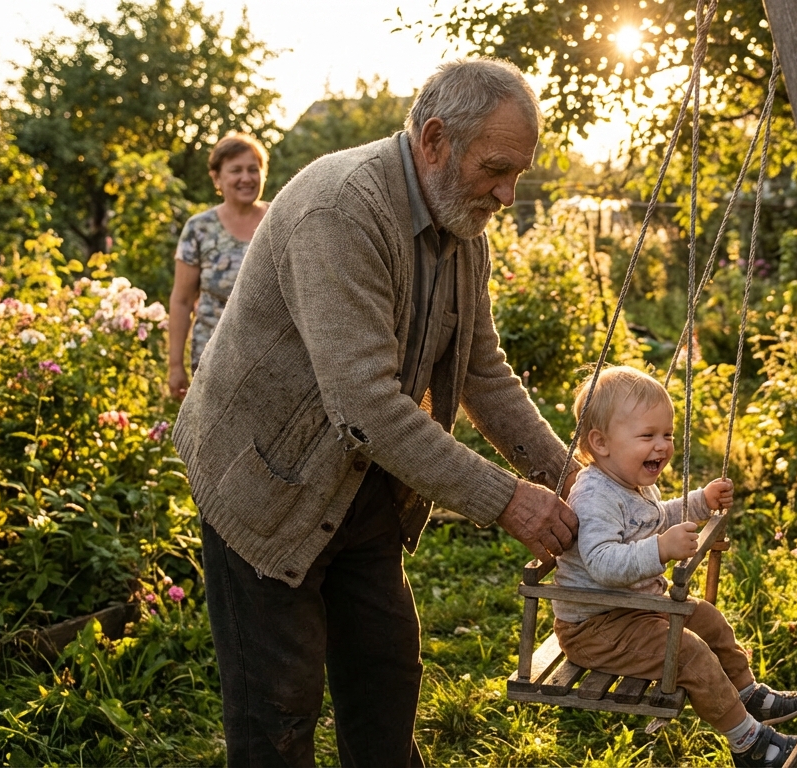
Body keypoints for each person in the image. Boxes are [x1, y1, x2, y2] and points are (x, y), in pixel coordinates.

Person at [171, 58, 581, 766]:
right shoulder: (343, 208)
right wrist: (509, 500)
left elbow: (483, 371)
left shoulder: (461, 229)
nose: (509, 194)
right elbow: (363, 402)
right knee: (278, 709)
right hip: (264, 484)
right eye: (497, 168)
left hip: (363, 484)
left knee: (386, 677)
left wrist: (573, 482)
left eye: (519, 172)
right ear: (433, 141)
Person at [552, 366, 797, 768]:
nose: (662, 446)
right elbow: (603, 563)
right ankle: (748, 744)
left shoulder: (633, 484)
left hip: (634, 610)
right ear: (600, 443)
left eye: (667, 435)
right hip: (596, 626)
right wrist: (659, 549)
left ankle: (747, 694)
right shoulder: (594, 496)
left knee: (705, 619)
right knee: (687, 652)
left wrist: (700, 501)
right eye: (647, 436)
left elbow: (658, 516)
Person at [167, 133, 269, 399]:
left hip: (274, 358)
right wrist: (174, 366)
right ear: (217, 178)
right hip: (212, 358)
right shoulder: (199, 228)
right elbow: (181, 301)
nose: (246, 178)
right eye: (236, 170)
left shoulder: (278, 220)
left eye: (253, 169)